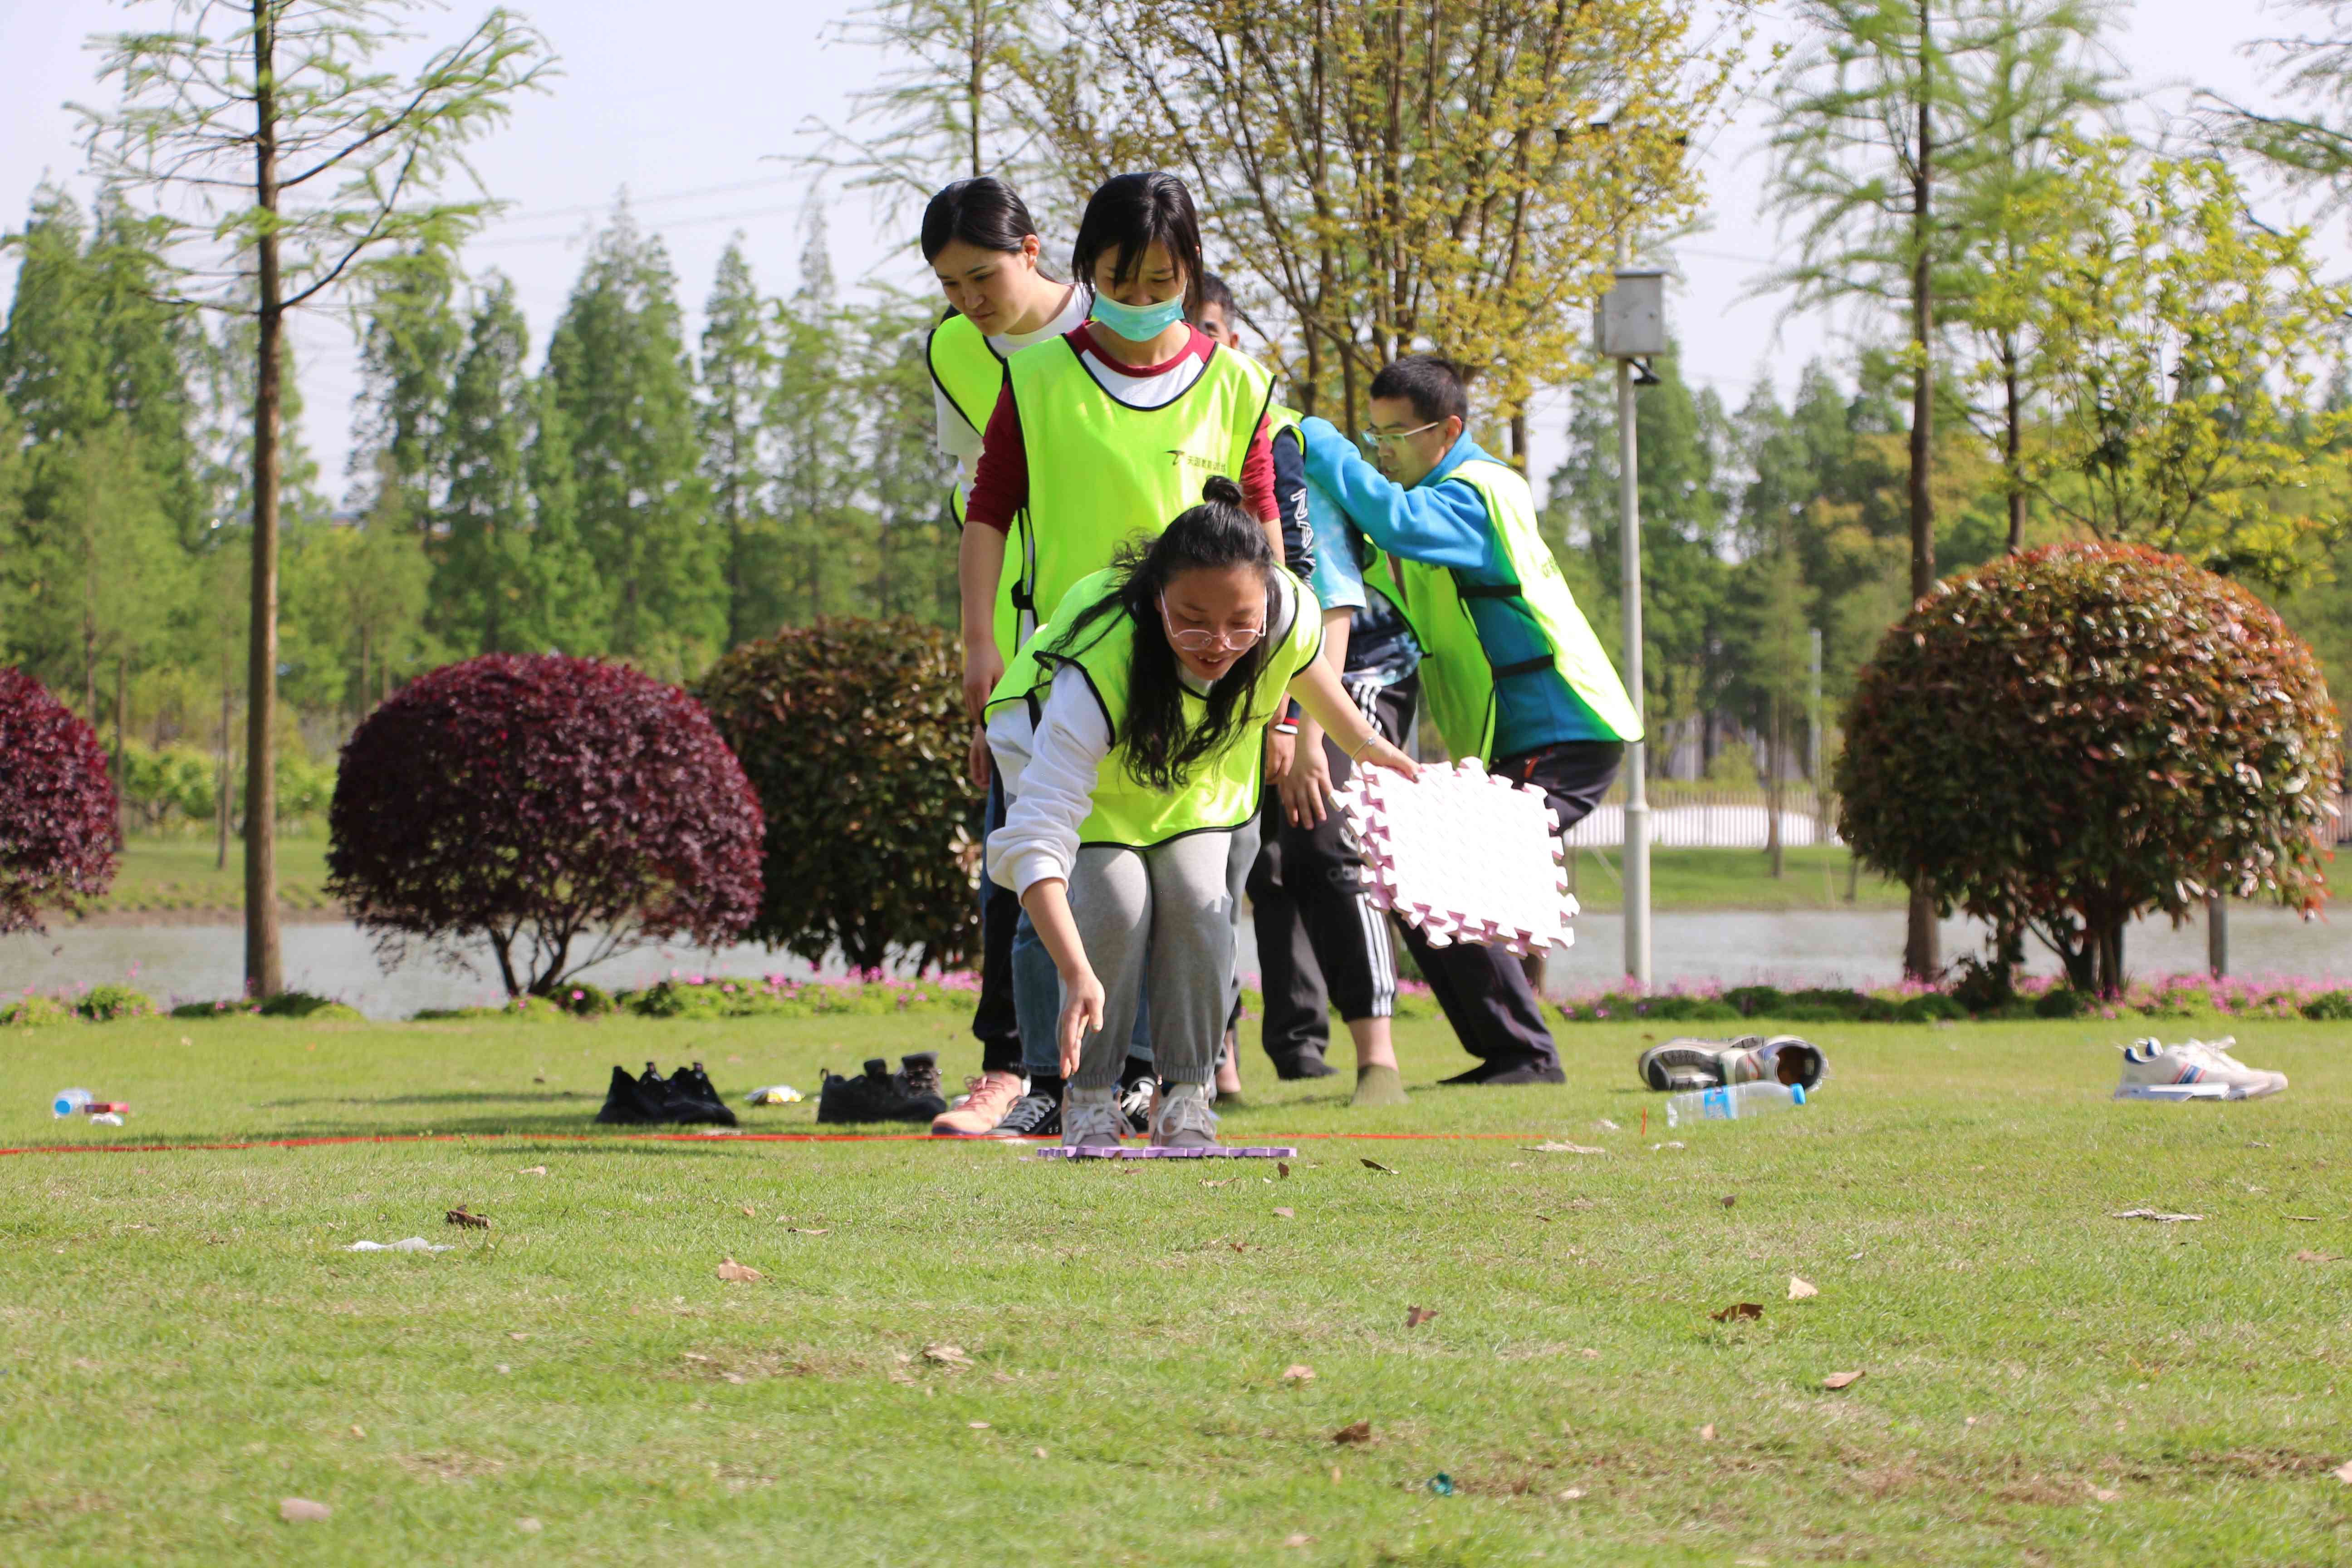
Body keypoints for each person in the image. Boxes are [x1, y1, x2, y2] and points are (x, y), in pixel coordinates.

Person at [958, 174, 1308, 1139]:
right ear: (1085, 270)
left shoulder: (1239, 382)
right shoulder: (1035, 376)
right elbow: (990, 510)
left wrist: (1280, 706)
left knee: (1197, 897)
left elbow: (1266, 532)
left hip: (1206, 685)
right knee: (1066, 886)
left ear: (1191, 274)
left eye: (1164, 277)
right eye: (1120, 275)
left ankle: (1172, 1084)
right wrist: (981, 641)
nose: (1143, 294)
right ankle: (1060, 1083)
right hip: (1073, 679)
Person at [984, 480, 1417, 1149]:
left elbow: (1307, 668)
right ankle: (1091, 1099)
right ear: (1156, 598)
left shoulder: (1283, 612)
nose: (1218, 643)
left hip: (1189, 775)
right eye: (1192, 619)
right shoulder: (1103, 661)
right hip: (1088, 792)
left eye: (1240, 623)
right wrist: (1073, 969)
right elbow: (1037, 837)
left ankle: (1186, 1099)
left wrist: (1365, 742)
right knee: (1116, 903)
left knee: (1196, 897)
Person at [1298, 355, 1642, 1085]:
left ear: (1449, 430)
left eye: (1396, 434)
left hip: (1561, 731)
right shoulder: (1442, 494)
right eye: (1373, 432)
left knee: (1436, 875)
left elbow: (1394, 520)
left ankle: (1524, 1054)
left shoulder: (1470, 495)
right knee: (1423, 876)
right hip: (1530, 738)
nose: (1382, 449)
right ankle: (1516, 1052)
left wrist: (1320, 441)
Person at [918, 177, 1091, 1138]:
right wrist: (980, 643)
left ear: (1032, 249)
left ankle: (1154, 1068)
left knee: (1142, 861)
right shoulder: (953, 351)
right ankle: (1007, 1070)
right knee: (1013, 853)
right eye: (949, 285)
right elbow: (977, 505)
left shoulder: (1111, 326)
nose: (970, 302)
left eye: (982, 276)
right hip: (1023, 649)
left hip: (1132, 629)